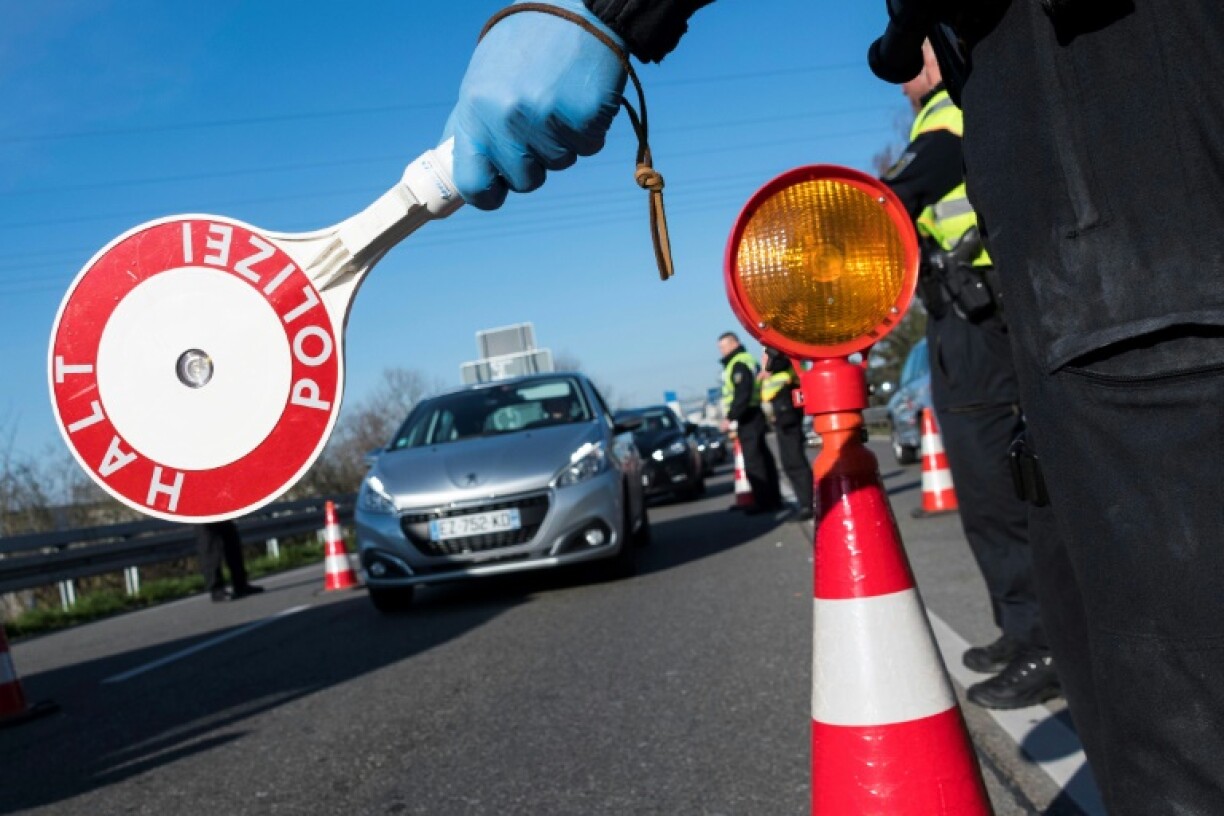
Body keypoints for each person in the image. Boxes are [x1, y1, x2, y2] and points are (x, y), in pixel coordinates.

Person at [442, 2, 1224, 810]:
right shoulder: (975, 92)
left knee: (1180, 678)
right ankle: (1037, 641)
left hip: (1117, 180)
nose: (907, 63)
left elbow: (914, 181)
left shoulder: (978, 106)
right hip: (1058, 264)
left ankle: (1044, 650)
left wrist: (605, 11)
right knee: (1114, 632)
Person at [879, 42, 1057, 709]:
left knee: (997, 491)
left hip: (982, 318)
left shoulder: (951, 112)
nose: (905, 77)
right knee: (983, 493)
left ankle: (1045, 642)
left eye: (914, 56)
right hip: (959, 317)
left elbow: (900, 194)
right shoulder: (932, 119)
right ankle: (1020, 628)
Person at [717, 331, 783, 514]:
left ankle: (764, 501)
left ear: (734, 344)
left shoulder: (738, 363)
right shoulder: (746, 360)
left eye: (723, 347)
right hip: (754, 414)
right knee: (763, 458)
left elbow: (742, 393)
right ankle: (773, 499)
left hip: (748, 416)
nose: (721, 351)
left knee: (754, 461)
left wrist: (731, 417)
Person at [759, 348, 813, 521]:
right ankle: (806, 502)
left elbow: (781, 362)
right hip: (783, 409)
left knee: (794, 460)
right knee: (790, 461)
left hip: (787, 408)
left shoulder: (780, 348)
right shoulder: (777, 347)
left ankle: (808, 504)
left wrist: (768, 367)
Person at [196, 520, 263, 602]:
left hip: (221, 514)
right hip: (204, 517)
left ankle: (241, 585)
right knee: (210, 547)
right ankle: (217, 590)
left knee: (232, 542)